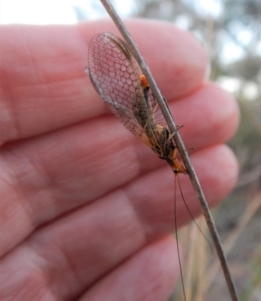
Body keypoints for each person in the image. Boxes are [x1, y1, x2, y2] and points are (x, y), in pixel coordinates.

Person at [0, 19, 239, 301]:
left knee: (150, 121)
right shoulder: (166, 150)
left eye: (178, 167)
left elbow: (164, 132)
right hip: (143, 110)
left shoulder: (166, 151)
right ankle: (141, 83)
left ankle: (141, 84)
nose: (179, 167)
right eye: (178, 167)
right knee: (150, 121)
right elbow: (166, 131)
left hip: (143, 111)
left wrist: (175, 148)